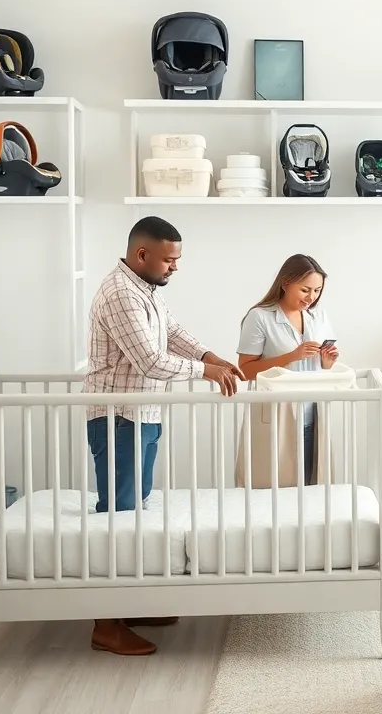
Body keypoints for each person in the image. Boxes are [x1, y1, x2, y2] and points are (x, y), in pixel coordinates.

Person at [81, 215, 243, 656]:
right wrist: (204, 371)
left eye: (178, 259)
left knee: (136, 508)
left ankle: (127, 604)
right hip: (118, 416)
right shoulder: (119, 293)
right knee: (119, 514)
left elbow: (171, 332)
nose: (175, 267)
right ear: (142, 255)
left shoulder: (144, 291)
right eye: (169, 260)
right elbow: (150, 360)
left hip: (142, 413)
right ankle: (106, 623)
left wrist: (210, 355)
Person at [235, 254, 338, 487]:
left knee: (312, 485)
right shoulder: (260, 317)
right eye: (305, 290)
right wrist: (291, 356)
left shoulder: (318, 316)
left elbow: (322, 364)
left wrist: (327, 361)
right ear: (285, 283)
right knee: (273, 486)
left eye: (317, 290)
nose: (312, 297)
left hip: (312, 413)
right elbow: (246, 370)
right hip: (275, 415)